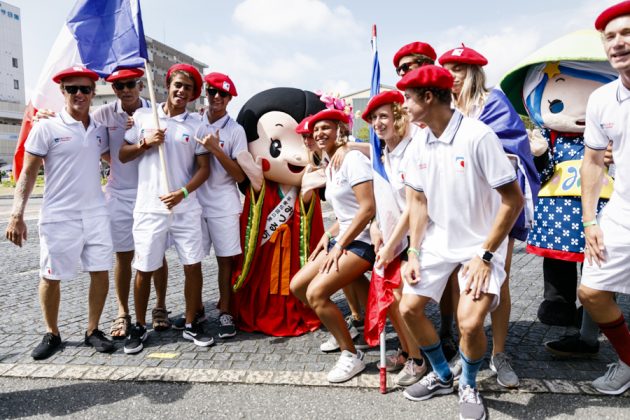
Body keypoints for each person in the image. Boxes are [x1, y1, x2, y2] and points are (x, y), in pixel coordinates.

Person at [397, 65, 523, 419]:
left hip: (481, 245)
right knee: (408, 308)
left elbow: (514, 201)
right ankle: (440, 375)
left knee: (469, 324)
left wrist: (485, 255)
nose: (403, 106)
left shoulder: (478, 136)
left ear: (428, 97)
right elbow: (418, 203)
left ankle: (468, 383)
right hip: (439, 241)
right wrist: (414, 251)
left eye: (408, 98)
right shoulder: (418, 140)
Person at [438, 45, 541, 388]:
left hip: (496, 204)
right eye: (448, 68)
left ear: (473, 72)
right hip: (458, 204)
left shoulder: (492, 103)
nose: (452, 74)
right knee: (456, 277)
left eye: (459, 68)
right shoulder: (443, 108)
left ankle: (499, 353)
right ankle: (467, 346)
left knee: (500, 279)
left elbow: (516, 150)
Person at [5, 66, 115, 359]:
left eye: (85, 89)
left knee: (100, 272)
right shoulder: (46, 127)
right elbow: (27, 173)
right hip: (59, 215)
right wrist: (17, 214)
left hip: (95, 214)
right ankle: (52, 333)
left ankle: (93, 330)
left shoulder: (99, 129)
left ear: (93, 92)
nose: (79, 94)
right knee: (50, 276)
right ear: (62, 92)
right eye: (72, 89)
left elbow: (114, 157)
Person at [119, 63, 211, 354]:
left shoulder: (197, 124)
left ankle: (191, 322)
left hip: (185, 207)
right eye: (178, 85)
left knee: (192, 264)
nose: (182, 91)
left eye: (188, 88)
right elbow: (122, 155)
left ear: (193, 95)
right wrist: (145, 142)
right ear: (167, 85)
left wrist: (183, 192)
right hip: (149, 207)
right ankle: (139, 327)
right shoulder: (145, 116)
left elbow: (204, 169)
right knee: (144, 267)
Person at [290, 108, 376, 383]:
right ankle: (349, 328)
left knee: (316, 293)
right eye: (315, 130)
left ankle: (351, 355)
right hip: (343, 237)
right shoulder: (330, 163)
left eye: (325, 127)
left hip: (364, 241)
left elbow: (367, 209)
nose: (318, 133)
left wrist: (340, 245)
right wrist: (330, 234)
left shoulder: (351, 159)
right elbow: (346, 213)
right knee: (298, 286)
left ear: (341, 129)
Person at [93, 68, 170, 337]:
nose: (125, 90)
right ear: (113, 89)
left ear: (140, 85)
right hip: (120, 194)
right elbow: (100, 147)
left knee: (156, 254)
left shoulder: (154, 111)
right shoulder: (104, 113)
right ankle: (123, 312)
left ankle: (160, 307)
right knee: (123, 256)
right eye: (119, 86)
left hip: (151, 194)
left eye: (130, 84)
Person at [578, 0, 630, 395]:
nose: (618, 42)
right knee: (591, 292)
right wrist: (590, 220)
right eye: (610, 37)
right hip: (622, 211)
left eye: (626, 33)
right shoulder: (601, 99)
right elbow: (593, 162)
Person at [362, 90, 428, 386]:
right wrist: (376, 227)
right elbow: (385, 198)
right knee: (389, 298)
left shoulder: (411, 150)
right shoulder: (385, 153)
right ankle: (405, 350)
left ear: (399, 118)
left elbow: (410, 207)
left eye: (384, 116)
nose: (378, 122)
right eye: (374, 118)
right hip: (392, 236)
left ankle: (418, 359)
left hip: (415, 236)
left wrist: (390, 245)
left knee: (400, 299)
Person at [192, 72, 247, 339]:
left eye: (222, 94)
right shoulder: (193, 122)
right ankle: (196, 310)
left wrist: (216, 149)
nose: (216, 97)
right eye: (212, 91)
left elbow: (239, 176)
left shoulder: (236, 131)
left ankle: (226, 310)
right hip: (193, 202)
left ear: (229, 99)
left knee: (225, 261)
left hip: (224, 202)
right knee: (192, 260)